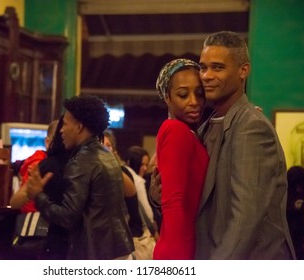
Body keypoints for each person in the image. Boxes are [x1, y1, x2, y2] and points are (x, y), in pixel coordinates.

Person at [195, 31, 295, 259]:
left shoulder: (251, 127)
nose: (207, 76)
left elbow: (245, 218)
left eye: (217, 67)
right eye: (203, 67)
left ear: (243, 70)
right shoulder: (207, 127)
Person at [26, 95, 134, 260]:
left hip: (98, 255)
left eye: (65, 124)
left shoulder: (82, 160)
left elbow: (67, 217)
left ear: (79, 126)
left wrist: (38, 196)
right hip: (117, 249)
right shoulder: (106, 153)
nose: (61, 130)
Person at [153, 58, 209, 260]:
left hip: (186, 243)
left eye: (200, 93)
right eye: (183, 95)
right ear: (167, 97)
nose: (194, 101)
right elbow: (173, 202)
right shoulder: (175, 130)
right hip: (180, 248)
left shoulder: (191, 132)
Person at [9, 118, 70, 260]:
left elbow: (14, 202)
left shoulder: (42, 162)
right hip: (44, 234)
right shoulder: (43, 164)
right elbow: (16, 201)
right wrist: (34, 193)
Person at [103, 129, 155, 260]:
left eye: (108, 146)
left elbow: (143, 211)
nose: (103, 150)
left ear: (114, 151)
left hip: (125, 244)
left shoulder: (123, 173)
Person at [286, 166, 304, 259]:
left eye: (300, 186)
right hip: (290, 247)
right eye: (295, 186)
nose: (298, 189)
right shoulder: (284, 196)